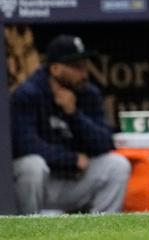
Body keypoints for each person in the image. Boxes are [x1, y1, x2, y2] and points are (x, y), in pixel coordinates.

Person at [11, 34, 131, 214]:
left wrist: (74, 114)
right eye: (76, 67)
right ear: (55, 68)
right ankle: (28, 228)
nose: (84, 73)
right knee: (32, 165)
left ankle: (103, 231)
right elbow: (25, 145)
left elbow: (105, 142)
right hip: (42, 184)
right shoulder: (28, 94)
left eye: (84, 65)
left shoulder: (88, 94)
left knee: (117, 164)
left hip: (71, 181)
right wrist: (70, 160)